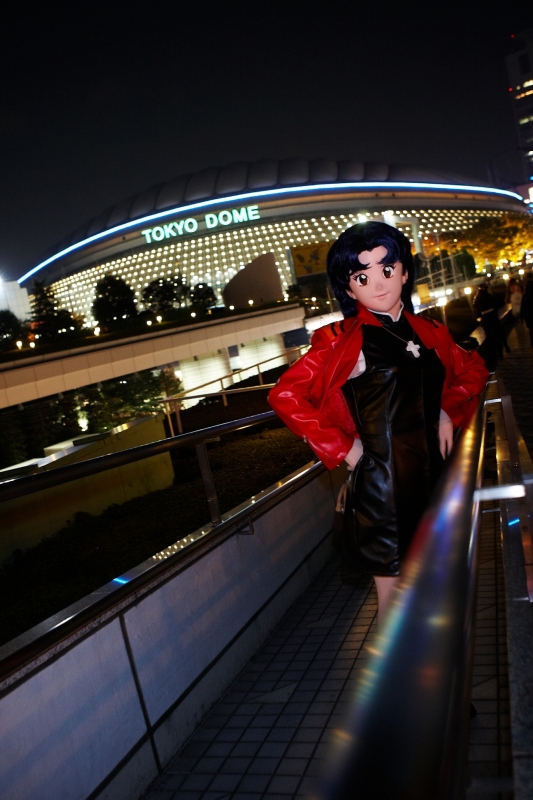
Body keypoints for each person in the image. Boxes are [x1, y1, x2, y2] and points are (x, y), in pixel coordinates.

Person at [269, 221, 488, 625]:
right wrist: (346, 450)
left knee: (436, 589)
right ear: (350, 289)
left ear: (404, 272)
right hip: (383, 486)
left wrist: (447, 409)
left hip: (436, 477)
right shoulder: (342, 340)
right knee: (394, 601)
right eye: (362, 276)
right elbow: (284, 395)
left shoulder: (430, 332)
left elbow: (473, 368)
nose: (379, 283)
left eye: (387, 269)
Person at [473, 283, 504, 370]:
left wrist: (479, 318)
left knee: (489, 336)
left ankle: (492, 354)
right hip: (493, 317)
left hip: (485, 319)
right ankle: (500, 352)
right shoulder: (488, 295)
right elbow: (495, 305)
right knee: (497, 334)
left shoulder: (477, 298)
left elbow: (476, 310)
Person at [521, 279, 533, 348]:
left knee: (531, 330)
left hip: (529, 317)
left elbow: (523, 307)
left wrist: (522, 317)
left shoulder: (525, 296)